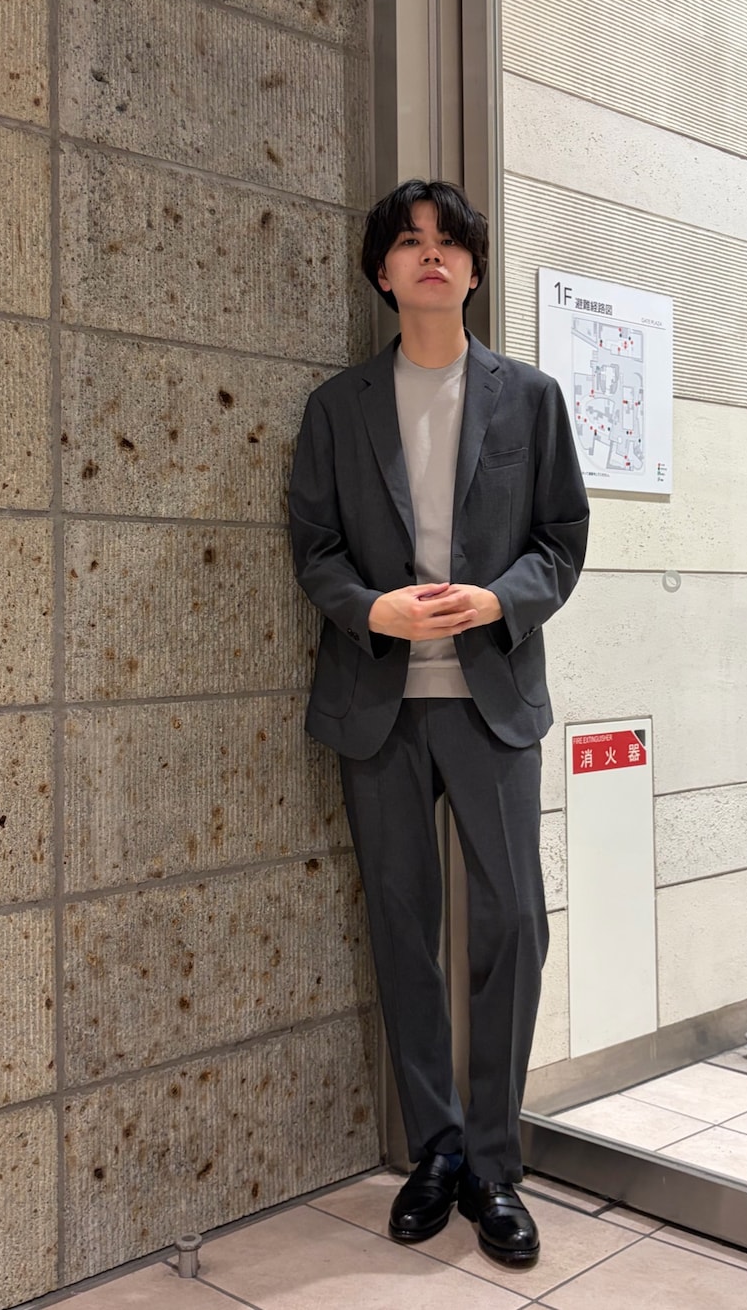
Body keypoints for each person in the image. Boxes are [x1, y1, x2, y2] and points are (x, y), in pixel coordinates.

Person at [288, 178, 589, 1269]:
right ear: (382, 271)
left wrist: (499, 600)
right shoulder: (338, 405)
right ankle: (437, 1149)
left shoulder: (530, 398)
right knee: (402, 928)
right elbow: (314, 544)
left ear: (472, 269)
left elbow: (561, 538)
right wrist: (373, 610)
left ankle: (496, 1163)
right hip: (377, 703)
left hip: (490, 700)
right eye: (409, 242)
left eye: (449, 242)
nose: (430, 255)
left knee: (514, 923)